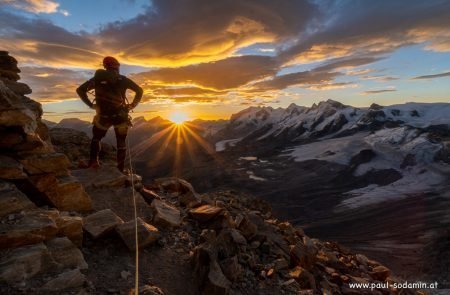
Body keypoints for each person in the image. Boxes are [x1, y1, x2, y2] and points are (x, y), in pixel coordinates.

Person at [76, 56, 143, 173]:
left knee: (96, 139)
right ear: (117, 66)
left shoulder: (96, 79)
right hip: (120, 116)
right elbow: (139, 90)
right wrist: (132, 105)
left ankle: (93, 162)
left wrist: (91, 105)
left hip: (103, 116)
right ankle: (120, 169)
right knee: (121, 142)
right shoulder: (122, 79)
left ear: (105, 66)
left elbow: (80, 90)